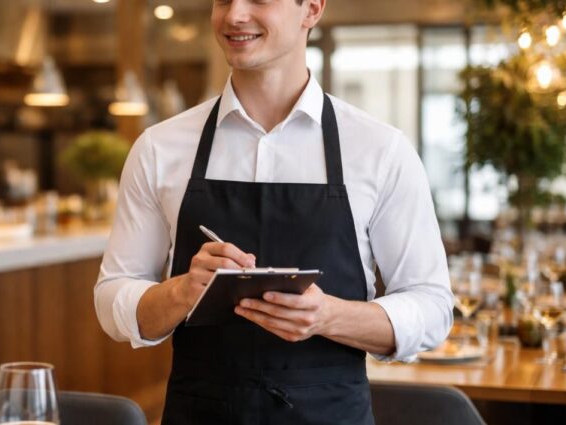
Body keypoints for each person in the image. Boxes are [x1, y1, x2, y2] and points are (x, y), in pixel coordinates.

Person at [94, 0, 453, 423]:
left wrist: (328, 316)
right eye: (223, 0)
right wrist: (183, 291)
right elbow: (112, 297)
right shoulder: (159, 149)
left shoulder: (381, 150)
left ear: (313, 9)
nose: (234, 15)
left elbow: (432, 307)